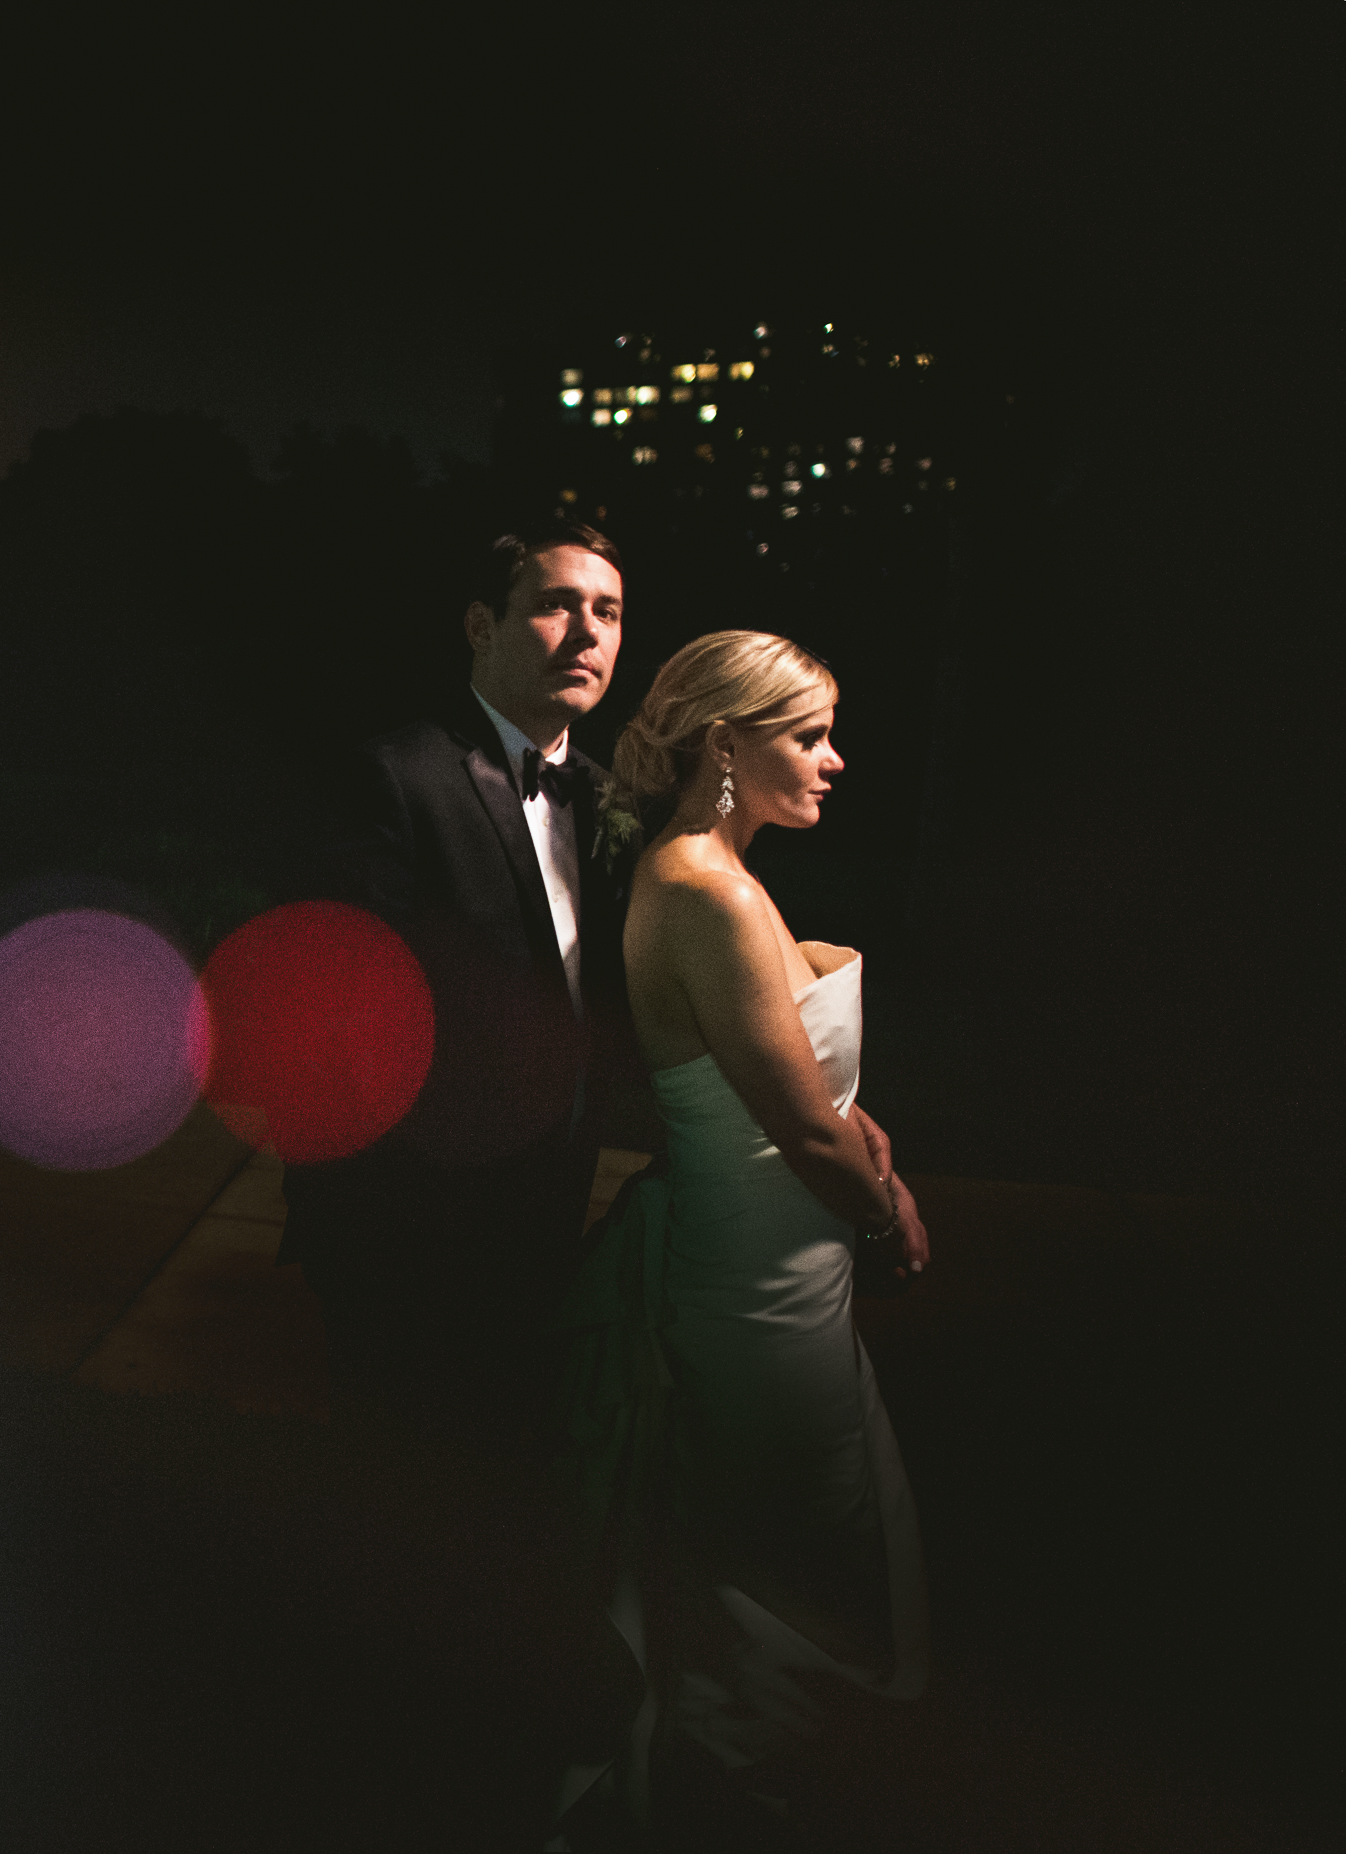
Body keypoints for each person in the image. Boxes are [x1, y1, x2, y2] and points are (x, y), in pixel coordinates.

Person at [279, 521, 644, 1846]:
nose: (588, 631)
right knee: (391, 1481)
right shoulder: (392, 777)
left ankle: (461, 1723)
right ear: (479, 627)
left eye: (608, 608)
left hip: (541, 1219)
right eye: (554, 603)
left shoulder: (605, 799)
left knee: (499, 1477)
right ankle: (358, 1756)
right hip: (406, 1223)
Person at [558, 630, 931, 1844]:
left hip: (786, 1268)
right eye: (806, 736)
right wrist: (882, 1215)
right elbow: (798, 1131)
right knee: (783, 1562)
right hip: (755, 1287)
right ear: (726, 743)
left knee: (796, 1541)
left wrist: (869, 1156)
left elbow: (812, 1098)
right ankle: (730, 1801)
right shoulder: (703, 891)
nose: (832, 761)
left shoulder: (725, 874)